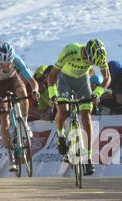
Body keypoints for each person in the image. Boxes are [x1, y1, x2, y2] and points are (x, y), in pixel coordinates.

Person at [47, 39, 111, 175]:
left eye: (92, 63)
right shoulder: (70, 50)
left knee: (86, 115)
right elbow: (52, 75)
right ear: (85, 51)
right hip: (64, 80)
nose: (89, 63)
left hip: (82, 81)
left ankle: (88, 157)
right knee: (63, 111)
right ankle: (60, 136)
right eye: (88, 60)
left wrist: (97, 93)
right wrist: (52, 94)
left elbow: (107, 78)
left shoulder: (99, 57)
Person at [0, 42, 39, 172]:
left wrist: (35, 91)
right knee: (4, 121)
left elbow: (32, 82)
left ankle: (25, 123)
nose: (5, 66)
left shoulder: (17, 61)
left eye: (8, 63)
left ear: (12, 59)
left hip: (13, 80)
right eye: (3, 63)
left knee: (23, 94)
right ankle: (10, 155)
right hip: (0, 86)